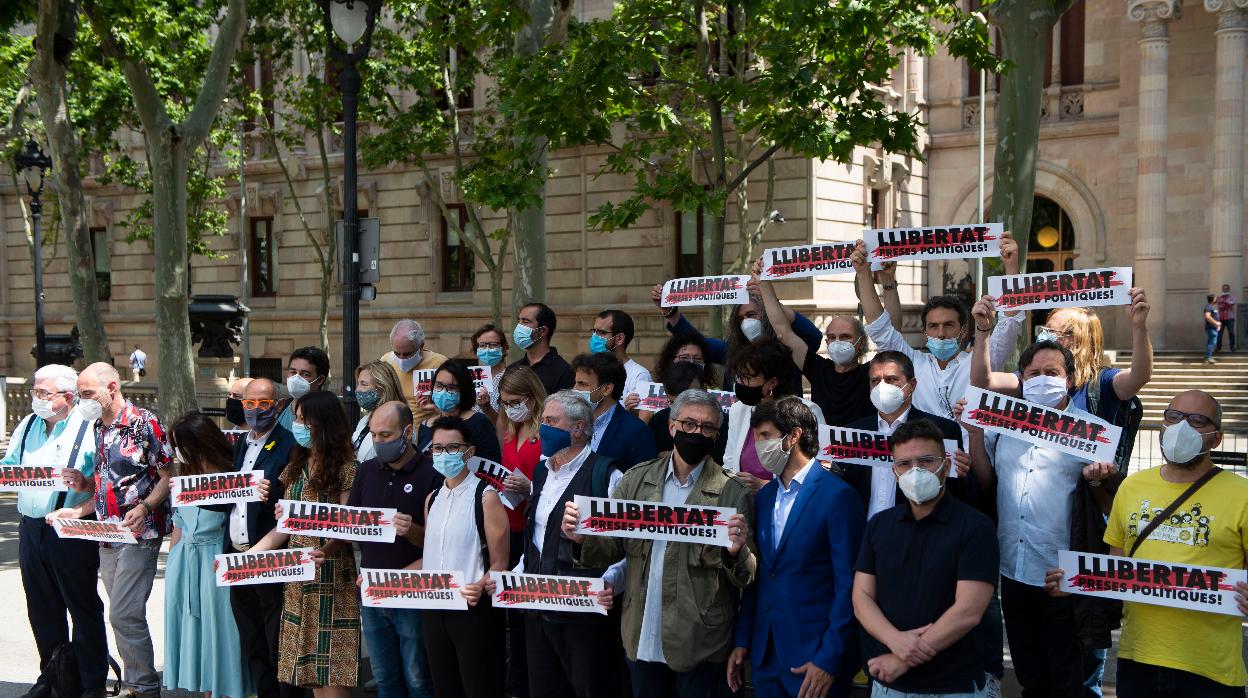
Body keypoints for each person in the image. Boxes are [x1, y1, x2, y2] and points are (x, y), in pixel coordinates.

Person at [1045, 390, 1248, 697]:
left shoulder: (1241, 495)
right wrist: (1077, 582)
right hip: (1138, 660)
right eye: (1174, 416)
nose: (1182, 427)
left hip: (1210, 669)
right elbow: (1116, 569)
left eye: (1197, 420)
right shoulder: (1132, 486)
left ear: (1216, 438)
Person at [563, 389, 756, 696]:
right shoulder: (636, 480)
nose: (697, 433)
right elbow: (611, 548)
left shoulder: (732, 492)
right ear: (672, 427)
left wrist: (736, 552)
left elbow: (746, 576)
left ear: (716, 435)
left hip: (699, 642)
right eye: (689, 424)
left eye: (707, 428)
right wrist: (581, 538)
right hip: (641, 635)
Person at [968, 341, 1112, 697]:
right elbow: (987, 482)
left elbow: (1109, 506)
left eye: (1052, 373)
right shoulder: (1001, 424)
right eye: (1035, 373)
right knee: (1030, 675)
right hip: (1014, 571)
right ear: (1021, 378)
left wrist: (1100, 478)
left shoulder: (1092, 432)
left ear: (1070, 379)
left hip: (1062, 575)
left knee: (1066, 678)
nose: (1043, 380)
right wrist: (973, 434)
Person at [728, 398, 866, 698]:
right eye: (755, 437)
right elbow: (763, 575)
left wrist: (829, 657)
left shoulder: (838, 497)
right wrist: (742, 639)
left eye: (766, 436)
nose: (758, 445)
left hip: (815, 659)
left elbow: (850, 586)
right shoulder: (764, 498)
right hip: (766, 656)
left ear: (794, 436)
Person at [852, 419, 998, 698]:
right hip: (888, 685)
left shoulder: (976, 527)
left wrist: (902, 659)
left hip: (953, 686)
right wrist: (896, 642)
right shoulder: (879, 526)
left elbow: (968, 611)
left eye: (926, 460)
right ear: (894, 471)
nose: (915, 471)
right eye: (904, 464)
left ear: (945, 465)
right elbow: (861, 598)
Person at [69, 362, 172, 698]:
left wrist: (146, 507)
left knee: (124, 613)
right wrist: (81, 496)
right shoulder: (98, 427)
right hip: (106, 535)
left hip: (140, 534)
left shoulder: (145, 423)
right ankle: (135, 682)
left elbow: (170, 475)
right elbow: (106, 484)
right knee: (124, 617)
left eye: (86, 393)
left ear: (111, 388)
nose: (81, 400)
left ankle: (143, 687)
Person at [5, 365, 107, 698]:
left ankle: (92, 682)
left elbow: (107, 482)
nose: (36, 399)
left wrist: (83, 483)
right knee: (41, 607)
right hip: (31, 527)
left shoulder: (87, 425)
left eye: (43, 393)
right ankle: (54, 676)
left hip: (71, 527)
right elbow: (9, 466)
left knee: (82, 605)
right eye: (35, 391)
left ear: (67, 396)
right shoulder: (29, 423)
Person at [249, 390, 360, 695]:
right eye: (296, 419)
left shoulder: (347, 469)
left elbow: (350, 527)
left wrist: (324, 550)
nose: (297, 425)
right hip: (298, 580)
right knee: (310, 674)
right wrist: (248, 559)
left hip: (333, 577)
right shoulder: (296, 466)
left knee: (333, 672)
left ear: (323, 424)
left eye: (303, 420)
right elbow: (283, 528)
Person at [850, 236, 1024, 420]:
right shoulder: (912, 363)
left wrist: (1011, 266)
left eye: (949, 325)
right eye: (933, 326)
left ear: (963, 330)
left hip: (971, 449)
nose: (941, 334)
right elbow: (880, 328)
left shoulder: (981, 362)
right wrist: (863, 273)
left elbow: (1009, 326)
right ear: (924, 333)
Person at [520, 391, 624, 698]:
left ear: (578, 428)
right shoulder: (541, 472)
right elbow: (536, 537)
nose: (543, 429)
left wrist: (611, 581)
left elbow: (626, 545)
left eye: (552, 421)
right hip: (538, 607)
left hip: (583, 614)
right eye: (543, 421)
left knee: (590, 688)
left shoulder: (607, 476)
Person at [343, 401, 438, 698]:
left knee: (418, 678)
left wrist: (412, 531)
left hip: (412, 591)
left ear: (407, 432)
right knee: (385, 677)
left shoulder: (432, 474)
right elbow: (350, 523)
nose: (377, 442)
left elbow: (441, 546)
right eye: (373, 435)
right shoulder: (367, 470)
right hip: (372, 590)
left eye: (385, 435)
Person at [411, 415, 510, 698]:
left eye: (452, 447)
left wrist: (480, 585)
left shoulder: (485, 496)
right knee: (445, 688)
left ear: (469, 452)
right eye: (437, 448)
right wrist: (377, 581)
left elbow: (501, 562)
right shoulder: (432, 498)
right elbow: (429, 557)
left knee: (480, 687)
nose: (443, 454)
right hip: (433, 611)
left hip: (472, 612)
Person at [215, 378, 300, 698]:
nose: (253, 410)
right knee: (251, 640)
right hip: (236, 555)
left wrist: (271, 492)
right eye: (248, 403)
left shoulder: (291, 444)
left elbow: (294, 503)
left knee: (276, 638)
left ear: (278, 406)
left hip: (270, 557)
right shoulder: (238, 444)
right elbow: (226, 495)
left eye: (262, 404)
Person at [970, 287, 1154, 429]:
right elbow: (982, 381)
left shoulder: (1101, 383)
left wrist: (1139, 325)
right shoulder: (1031, 377)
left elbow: (1140, 376)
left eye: (1053, 332)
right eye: (1045, 329)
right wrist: (982, 329)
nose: (1045, 336)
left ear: (1078, 338)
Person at [163, 413, 251, 698]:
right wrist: (174, 559)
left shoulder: (231, 475)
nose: (175, 451)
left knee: (223, 633)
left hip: (217, 560)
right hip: (185, 562)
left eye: (179, 444)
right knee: (196, 634)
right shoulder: (185, 476)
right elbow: (178, 521)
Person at [839, 351, 982, 520]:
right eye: (875, 381)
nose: (881, 386)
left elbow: (962, 494)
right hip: (863, 535)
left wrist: (963, 474)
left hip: (916, 533)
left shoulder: (943, 430)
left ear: (912, 385)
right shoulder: (852, 433)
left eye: (891, 379)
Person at [756, 259, 873, 426]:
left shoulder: (871, 373)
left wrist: (865, 274)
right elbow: (783, 331)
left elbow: (887, 331)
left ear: (861, 343)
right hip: (823, 448)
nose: (837, 342)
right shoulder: (819, 369)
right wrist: (764, 284)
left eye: (845, 336)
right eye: (832, 337)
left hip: (859, 448)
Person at [650, 281, 820, 394]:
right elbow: (696, 341)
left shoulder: (787, 349)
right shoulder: (731, 350)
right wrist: (670, 311)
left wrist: (771, 301)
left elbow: (813, 338)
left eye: (752, 314)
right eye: (741, 319)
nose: (746, 322)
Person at [494, 367, 547, 698]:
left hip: (532, 526)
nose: (510, 406)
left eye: (516, 401)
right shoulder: (511, 427)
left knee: (529, 614)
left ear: (532, 397)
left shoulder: (545, 431)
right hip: (508, 522)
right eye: (505, 401)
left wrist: (529, 486)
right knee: (512, 612)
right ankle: (516, 682)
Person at [721, 339, 826, 492]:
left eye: (747, 377)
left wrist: (765, 487)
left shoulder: (807, 412)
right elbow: (729, 463)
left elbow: (818, 469)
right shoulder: (739, 409)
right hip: (745, 506)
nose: (740, 383)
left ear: (772, 383)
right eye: (738, 376)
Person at [571, 352, 658, 469]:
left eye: (582, 384)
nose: (575, 389)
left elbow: (641, 482)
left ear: (606, 389)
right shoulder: (570, 423)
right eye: (576, 383)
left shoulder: (637, 432)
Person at [414, 359, 503, 464]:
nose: (443, 392)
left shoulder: (479, 423)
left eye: (451, 388)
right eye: (438, 386)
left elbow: (491, 465)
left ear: (464, 391)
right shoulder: (425, 426)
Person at [381, 319, 450, 424]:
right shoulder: (387, 361)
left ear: (421, 346)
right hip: (396, 428)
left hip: (429, 430)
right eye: (397, 353)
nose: (402, 358)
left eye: (408, 354)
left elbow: (452, 405)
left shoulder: (439, 363)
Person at [647, 361, 717, 457]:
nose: (681, 411)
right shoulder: (658, 421)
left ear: (704, 389)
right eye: (673, 403)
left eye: (689, 401)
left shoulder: (724, 423)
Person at [509, 302, 576, 397]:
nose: (519, 327)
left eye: (525, 322)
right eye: (518, 321)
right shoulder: (512, 369)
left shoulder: (564, 372)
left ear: (542, 331)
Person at [351, 360, 405, 463]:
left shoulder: (400, 421)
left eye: (364, 384)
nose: (357, 389)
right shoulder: (365, 421)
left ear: (382, 388)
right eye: (358, 383)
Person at [591, 309, 652, 398]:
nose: (595, 337)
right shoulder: (590, 370)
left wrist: (631, 409)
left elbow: (647, 411)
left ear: (619, 338)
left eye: (602, 333)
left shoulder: (640, 375)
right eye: (594, 331)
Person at [280, 345, 331, 430]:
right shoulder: (280, 409)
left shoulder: (328, 415)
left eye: (305, 374)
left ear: (320, 380)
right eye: (293, 372)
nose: (296, 378)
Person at [471, 323, 509, 418]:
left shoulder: (510, 378)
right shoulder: (467, 377)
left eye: (493, 345)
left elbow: (507, 423)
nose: (487, 349)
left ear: (504, 348)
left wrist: (486, 408)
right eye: (482, 345)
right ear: (476, 350)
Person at [1215, 283, 1237, 352]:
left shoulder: (1232, 297)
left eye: (1226, 288)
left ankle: (1232, 346)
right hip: (1221, 318)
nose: (1225, 289)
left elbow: (1231, 305)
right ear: (1222, 289)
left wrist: (1225, 303)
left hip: (1230, 318)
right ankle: (1218, 347)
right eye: (1224, 288)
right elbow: (1220, 306)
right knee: (1219, 333)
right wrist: (1226, 303)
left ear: (1229, 289)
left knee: (1231, 332)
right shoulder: (1219, 297)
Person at [1204, 294, 1222, 364]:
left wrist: (1218, 324)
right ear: (1213, 299)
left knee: (1211, 343)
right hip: (1211, 328)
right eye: (1215, 298)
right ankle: (1208, 357)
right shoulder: (1208, 307)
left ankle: (1208, 357)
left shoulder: (1212, 307)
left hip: (1214, 328)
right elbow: (1207, 317)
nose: (1216, 299)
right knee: (1212, 343)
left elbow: (1214, 317)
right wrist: (1216, 323)